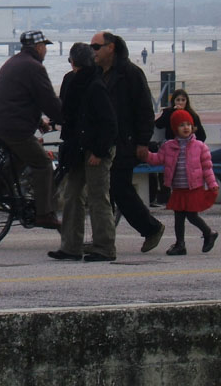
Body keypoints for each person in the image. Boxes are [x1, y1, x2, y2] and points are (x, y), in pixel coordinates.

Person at [91, 31, 164, 252]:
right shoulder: (96, 74)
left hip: (125, 142)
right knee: (108, 190)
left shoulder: (130, 73)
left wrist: (142, 142)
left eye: (96, 47)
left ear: (110, 47)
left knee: (119, 187)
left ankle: (150, 228)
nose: (92, 51)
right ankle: (104, 238)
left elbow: (145, 110)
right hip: (103, 141)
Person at [0, 30, 63, 229]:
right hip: (14, 128)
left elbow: (21, 99)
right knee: (43, 164)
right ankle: (44, 213)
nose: (45, 50)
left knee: (18, 159)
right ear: (38, 47)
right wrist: (65, 119)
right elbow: (47, 100)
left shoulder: (14, 62)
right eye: (44, 46)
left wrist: (40, 122)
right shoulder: (34, 67)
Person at [48, 43, 117, 262]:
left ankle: (104, 248)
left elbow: (108, 123)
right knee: (72, 196)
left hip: (95, 148)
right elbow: (67, 115)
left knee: (97, 198)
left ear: (73, 62)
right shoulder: (74, 81)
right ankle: (71, 247)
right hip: (76, 148)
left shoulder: (95, 86)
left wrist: (99, 151)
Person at [143, 110, 218, 255]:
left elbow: (207, 168)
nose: (185, 128)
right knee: (178, 217)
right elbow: (158, 159)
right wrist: (146, 155)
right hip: (178, 188)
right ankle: (180, 244)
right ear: (175, 128)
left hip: (193, 187)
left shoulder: (200, 146)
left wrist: (212, 184)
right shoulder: (168, 146)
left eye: (188, 124)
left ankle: (209, 232)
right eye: (181, 125)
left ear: (192, 127)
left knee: (191, 215)